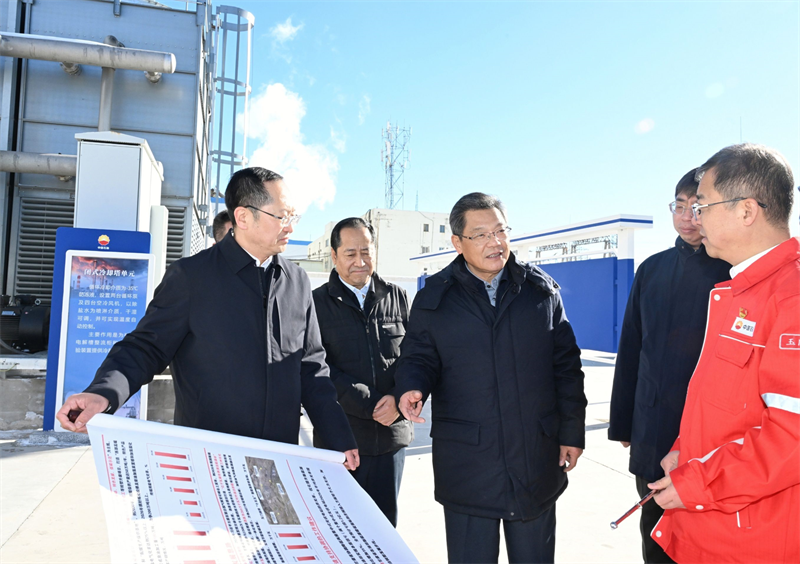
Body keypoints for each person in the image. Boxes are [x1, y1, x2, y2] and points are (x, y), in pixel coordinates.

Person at [57, 167, 359, 470]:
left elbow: (312, 367)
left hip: (279, 459)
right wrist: (103, 392)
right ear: (243, 217)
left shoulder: (296, 281)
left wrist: (337, 436)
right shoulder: (191, 277)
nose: (290, 227)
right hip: (208, 460)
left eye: (293, 216)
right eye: (282, 217)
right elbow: (146, 347)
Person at [395, 193, 586, 564]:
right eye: (481, 234)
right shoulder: (435, 297)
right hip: (468, 464)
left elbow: (566, 367)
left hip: (534, 460)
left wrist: (571, 433)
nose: (495, 242)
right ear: (458, 242)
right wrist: (412, 386)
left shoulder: (540, 291)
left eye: (500, 231)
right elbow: (417, 356)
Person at [648, 144, 799, 563]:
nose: (695, 218)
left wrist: (699, 483)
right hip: (713, 532)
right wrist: (686, 447)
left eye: (704, 206)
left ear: (746, 211)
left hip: (756, 540)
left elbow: (791, 438)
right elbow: (730, 406)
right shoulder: (738, 293)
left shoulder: (791, 298)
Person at [608, 168, 731, 563]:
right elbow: (631, 348)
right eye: (679, 207)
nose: (686, 218)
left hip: (711, 433)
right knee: (655, 530)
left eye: (697, 208)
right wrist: (623, 422)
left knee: (707, 535)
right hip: (654, 426)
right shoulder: (652, 270)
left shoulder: (732, 270)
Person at [312, 217, 412, 527]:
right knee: (341, 531)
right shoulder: (316, 304)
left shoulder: (397, 297)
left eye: (366, 252)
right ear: (334, 255)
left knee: (384, 530)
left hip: (391, 439)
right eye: (350, 253)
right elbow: (317, 368)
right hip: (341, 441)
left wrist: (397, 399)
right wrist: (371, 403)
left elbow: (415, 358)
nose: (360, 261)